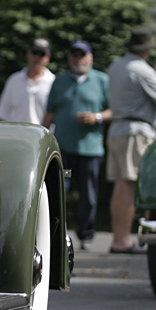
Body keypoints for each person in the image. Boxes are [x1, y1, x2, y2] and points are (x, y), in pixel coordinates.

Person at [106, 27, 156, 253]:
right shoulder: (142, 69)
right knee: (129, 184)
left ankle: (118, 238)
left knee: (121, 183)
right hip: (136, 129)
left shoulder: (117, 65)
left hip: (118, 127)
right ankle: (122, 241)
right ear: (147, 49)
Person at [42, 40, 110, 251]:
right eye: (74, 54)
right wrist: (42, 137)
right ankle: (54, 235)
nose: (78, 59)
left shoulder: (102, 80)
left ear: (90, 57)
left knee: (88, 195)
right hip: (63, 149)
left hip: (91, 149)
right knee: (59, 191)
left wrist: (97, 117)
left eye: (82, 55)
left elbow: (114, 110)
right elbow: (49, 113)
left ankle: (86, 235)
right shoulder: (60, 80)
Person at [0, 37, 55, 125]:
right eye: (34, 53)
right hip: (15, 135)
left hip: (42, 137)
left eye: (41, 54)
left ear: (48, 58)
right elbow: (2, 114)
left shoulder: (53, 82)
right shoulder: (14, 80)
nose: (37, 58)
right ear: (28, 53)